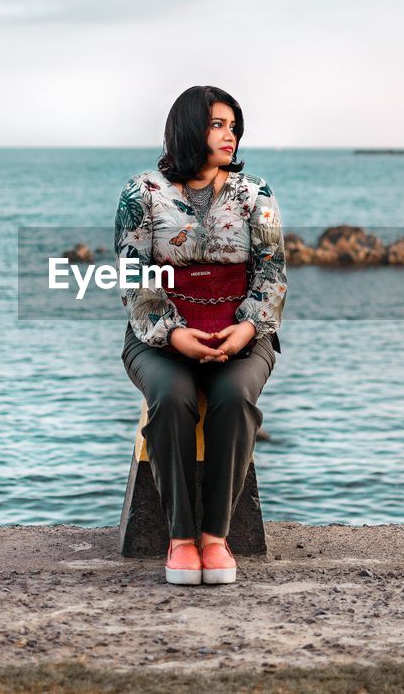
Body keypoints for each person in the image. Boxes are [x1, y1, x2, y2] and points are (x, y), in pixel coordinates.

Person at [114, 85, 286, 586]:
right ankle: (181, 538)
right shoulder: (141, 193)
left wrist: (248, 328)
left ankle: (216, 537)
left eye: (233, 126)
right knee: (172, 396)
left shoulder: (256, 193)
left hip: (242, 334)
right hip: (158, 337)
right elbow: (132, 275)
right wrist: (173, 335)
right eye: (217, 125)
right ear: (189, 128)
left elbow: (272, 273)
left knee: (233, 396)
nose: (229, 135)